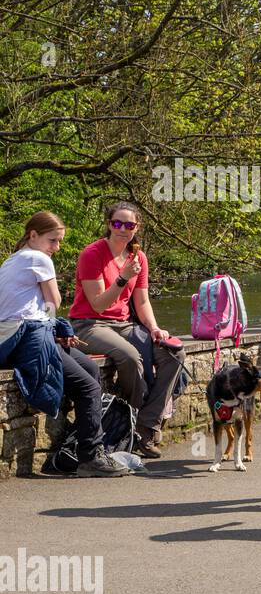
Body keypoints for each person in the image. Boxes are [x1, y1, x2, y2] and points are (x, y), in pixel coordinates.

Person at [0, 212, 126, 477]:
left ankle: (77, 443)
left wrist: (54, 329)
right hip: (27, 340)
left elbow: (33, 308)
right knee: (88, 386)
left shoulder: (12, 260)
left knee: (90, 369)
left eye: (59, 242)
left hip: (14, 339)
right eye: (52, 240)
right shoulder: (39, 258)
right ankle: (91, 458)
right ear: (33, 235)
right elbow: (55, 301)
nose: (56, 248)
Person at [69, 203, 185, 459]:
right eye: (117, 224)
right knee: (131, 357)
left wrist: (154, 328)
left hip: (125, 324)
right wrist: (121, 278)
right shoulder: (93, 254)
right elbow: (98, 304)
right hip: (89, 324)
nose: (123, 229)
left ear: (137, 228)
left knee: (173, 354)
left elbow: (142, 302)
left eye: (129, 225)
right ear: (109, 224)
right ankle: (130, 424)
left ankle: (146, 425)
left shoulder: (138, 257)